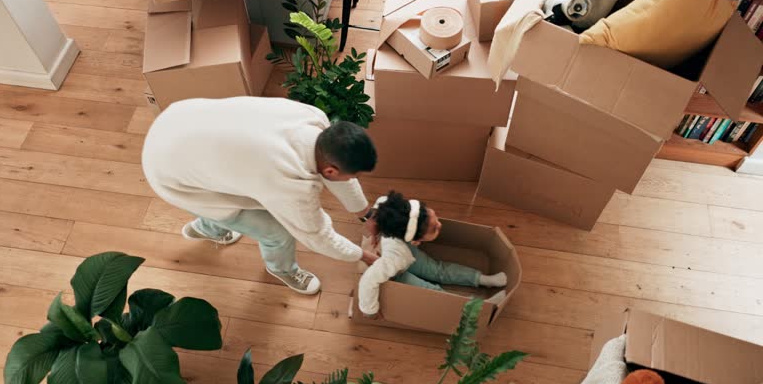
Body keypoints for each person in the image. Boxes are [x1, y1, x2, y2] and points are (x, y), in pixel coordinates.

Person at [141, 97, 380, 296]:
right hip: (170, 175)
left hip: (178, 118)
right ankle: (282, 269)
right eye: (352, 176)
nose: (351, 180)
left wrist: (365, 214)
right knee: (277, 232)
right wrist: (362, 255)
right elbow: (317, 235)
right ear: (330, 171)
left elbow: (338, 175)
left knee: (232, 195)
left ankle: (210, 227)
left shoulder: (313, 119)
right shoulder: (291, 184)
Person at [358, 191, 509, 317]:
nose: (440, 224)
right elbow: (368, 280)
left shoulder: (392, 208)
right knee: (432, 291)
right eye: (435, 228)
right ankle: (481, 307)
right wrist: (369, 310)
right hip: (396, 271)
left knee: (438, 270)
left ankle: (484, 279)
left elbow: (382, 200)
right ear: (416, 241)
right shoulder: (392, 260)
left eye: (435, 218)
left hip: (405, 250)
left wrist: (374, 223)